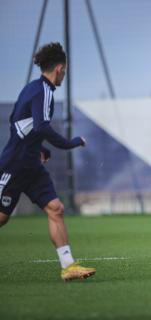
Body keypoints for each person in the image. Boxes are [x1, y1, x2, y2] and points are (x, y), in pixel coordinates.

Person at [0, 42, 96, 280]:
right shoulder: (43, 91)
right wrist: (70, 143)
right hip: (14, 164)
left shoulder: (31, 89)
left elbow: (17, 122)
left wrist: (39, 147)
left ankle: (68, 266)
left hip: (31, 164)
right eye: (65, 70)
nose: (65, 74)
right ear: (59, 69)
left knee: (56, 208)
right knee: (1, 218)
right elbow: (41, 125)